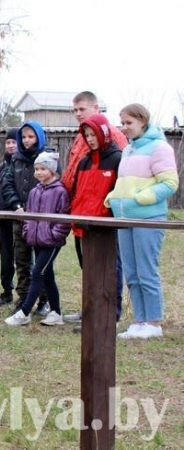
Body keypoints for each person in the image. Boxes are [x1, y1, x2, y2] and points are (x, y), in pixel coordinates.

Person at [106, 104, 179, 339]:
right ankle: (139, 320)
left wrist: (141, 198)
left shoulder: (160, 148)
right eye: (122, 123)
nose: (124, 127)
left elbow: (169, 184)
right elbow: (126, 182)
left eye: (129, 123)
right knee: (131, 273)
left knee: (147, 271)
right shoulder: (128, 149)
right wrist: (114, 196)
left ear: (143, 121)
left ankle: (153, 322)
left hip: (148, 219)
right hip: (124, 218)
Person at [60, 91, 128, 327]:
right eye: (75, 110)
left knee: (109, 268)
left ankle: (111, 313)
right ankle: (89, 309)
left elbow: (120, 188)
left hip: (105, 223)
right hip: (82, 221)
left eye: (82, 109)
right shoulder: (84, 155)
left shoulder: (117, 151)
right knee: (88, 268)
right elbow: (77, 183)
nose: (90, 139)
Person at [5, 152, 71, 326]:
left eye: (43, 168)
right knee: (47, 275)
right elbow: (29, 215)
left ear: (52, 170)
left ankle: (25, 312)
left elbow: (64, 218)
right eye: (37, 169)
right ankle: (56, 312)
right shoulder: (34, 191)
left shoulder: (60, 191)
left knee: (37, 273)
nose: (39, 172)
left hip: (51, 242)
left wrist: (54, 235)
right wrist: (28, 231)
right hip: (35, 239)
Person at [1, 120, 55, 316]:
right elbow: (7, 183)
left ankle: (43, 300)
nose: (26, 140)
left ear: (39, 137)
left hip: (41, 218)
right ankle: (23, 298)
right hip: (20, 216)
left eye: (31, 136)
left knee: (42, 263)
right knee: (22, 260)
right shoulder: (16, 159)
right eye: (23, 137)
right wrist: (16, 205)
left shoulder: (48, 158)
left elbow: (54, 186)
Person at [61, 91, 127, 194]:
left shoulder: (112, 133)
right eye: (75, 110)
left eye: (82, 109)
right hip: (76, 196)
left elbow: (122, 171)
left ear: (96, 108)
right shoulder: (80, 136)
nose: (78, 114)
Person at [0, 128, 19, 307]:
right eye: (8, 142)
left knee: (24, 258)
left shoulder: (24, 165)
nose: (10, 146)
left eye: (14, 142)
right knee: (5, 256)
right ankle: (6, 291)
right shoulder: (0, 168)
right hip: (3, 219)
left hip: (20, 218)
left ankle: (26, 294)